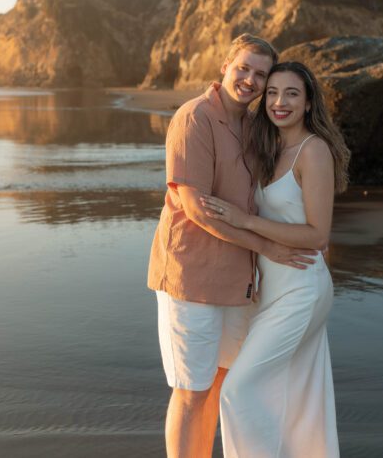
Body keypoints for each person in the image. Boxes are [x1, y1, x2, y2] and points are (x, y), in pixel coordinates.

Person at [147, 36, 319, 458]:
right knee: (191, 391)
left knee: (222, 383)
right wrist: (269, 247)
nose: (250, 80)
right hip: (192, 279)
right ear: (225, 65)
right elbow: (198, 210)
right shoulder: (195, 119)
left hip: (239, 283)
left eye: (261, 74)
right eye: (244, 68)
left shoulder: (255, 127)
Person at [199, 61, 349, 458]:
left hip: (301, 289)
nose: (279, 102)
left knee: (238, 389)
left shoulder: (313, 151)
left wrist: (245, 221)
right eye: (272, 93)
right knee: (294, 394)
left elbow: (318, 235)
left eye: (292, 94)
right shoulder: (269, 148)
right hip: (272, 291)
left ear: (308, 102)